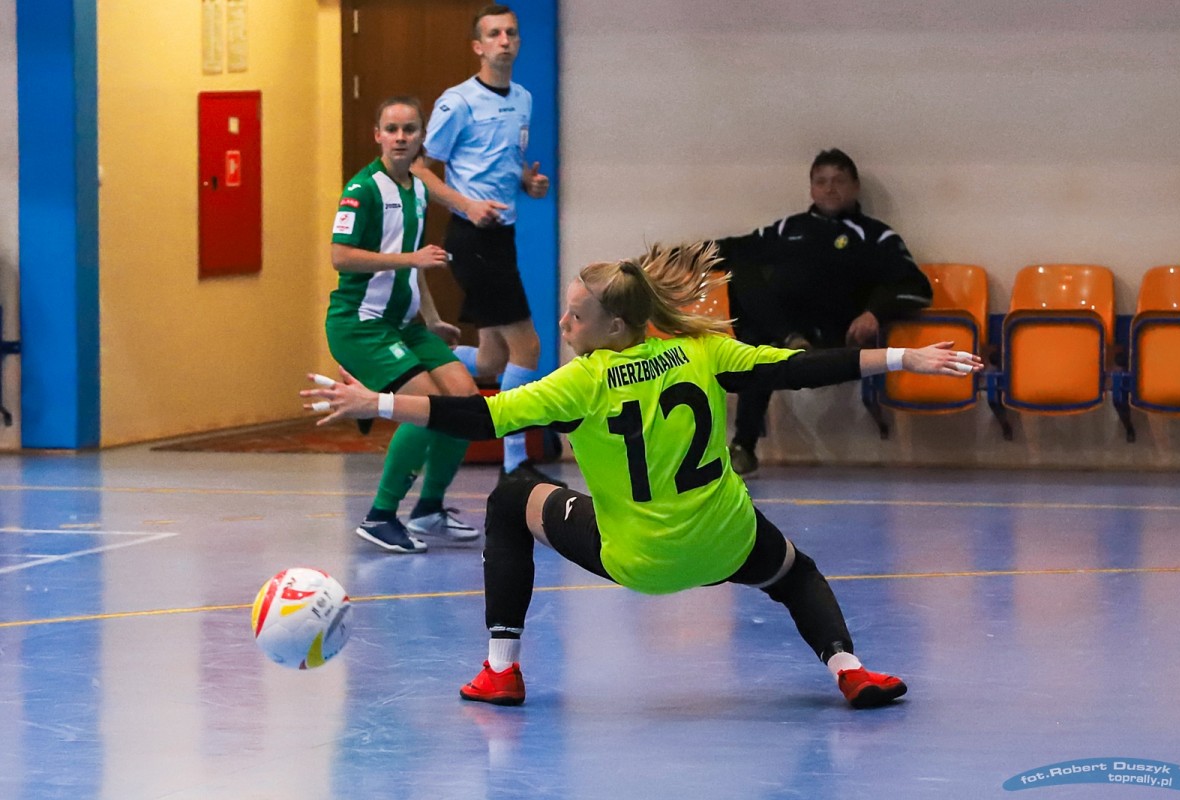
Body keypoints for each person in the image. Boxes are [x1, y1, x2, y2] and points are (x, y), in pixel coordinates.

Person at [303, 242, 982, 708]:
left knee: (511, 498)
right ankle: (851, 671)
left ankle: (500, 672)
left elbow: (479, 417)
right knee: (794, 572)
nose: (563, 322)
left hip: (639, 559)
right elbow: (800, 369)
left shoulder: (581, 382)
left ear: (614, 326)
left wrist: (376, 402)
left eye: (576, 315)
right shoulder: (702, 350)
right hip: (727, 541)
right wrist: (905, 358)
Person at [710, 148, 933, 476]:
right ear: (811, 188)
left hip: (834, 335)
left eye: (838, 181)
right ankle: (744, 446)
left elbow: (916, 287)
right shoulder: (788, 229)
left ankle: (786, 348)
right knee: (742, 269)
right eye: (821, 181)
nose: (830, 189)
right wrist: (672, 259)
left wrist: (874, 313)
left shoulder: (875, 236)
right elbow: (733, 248)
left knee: (759, 349)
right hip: (782, 334)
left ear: (855, 187)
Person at [412, 3, 563, 487]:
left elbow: (505, 162)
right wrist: (467, 204)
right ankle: (514, 463)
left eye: (511, 33)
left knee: (494, 360)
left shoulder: (523, 98)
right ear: (478, 46)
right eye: (494, 34)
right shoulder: (458, 102)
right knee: (529, 347)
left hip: (503, 234)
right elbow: (419, 167)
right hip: (471, 236)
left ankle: (417, 358)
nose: (504, 41)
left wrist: (528, 183)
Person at [325, 95, 482, 554]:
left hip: (405, 325)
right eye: (391, 129)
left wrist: (432, 319)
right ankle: (380, 516)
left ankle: (429, 508)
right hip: (361, 325)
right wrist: (410, 259)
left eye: (409, 129)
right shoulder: (362, 190)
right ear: (377, 135)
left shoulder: (416, 189)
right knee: (426, 407)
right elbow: (341, 256)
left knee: (467, 404)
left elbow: (414, 267)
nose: (400, 137)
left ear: (421, 138)